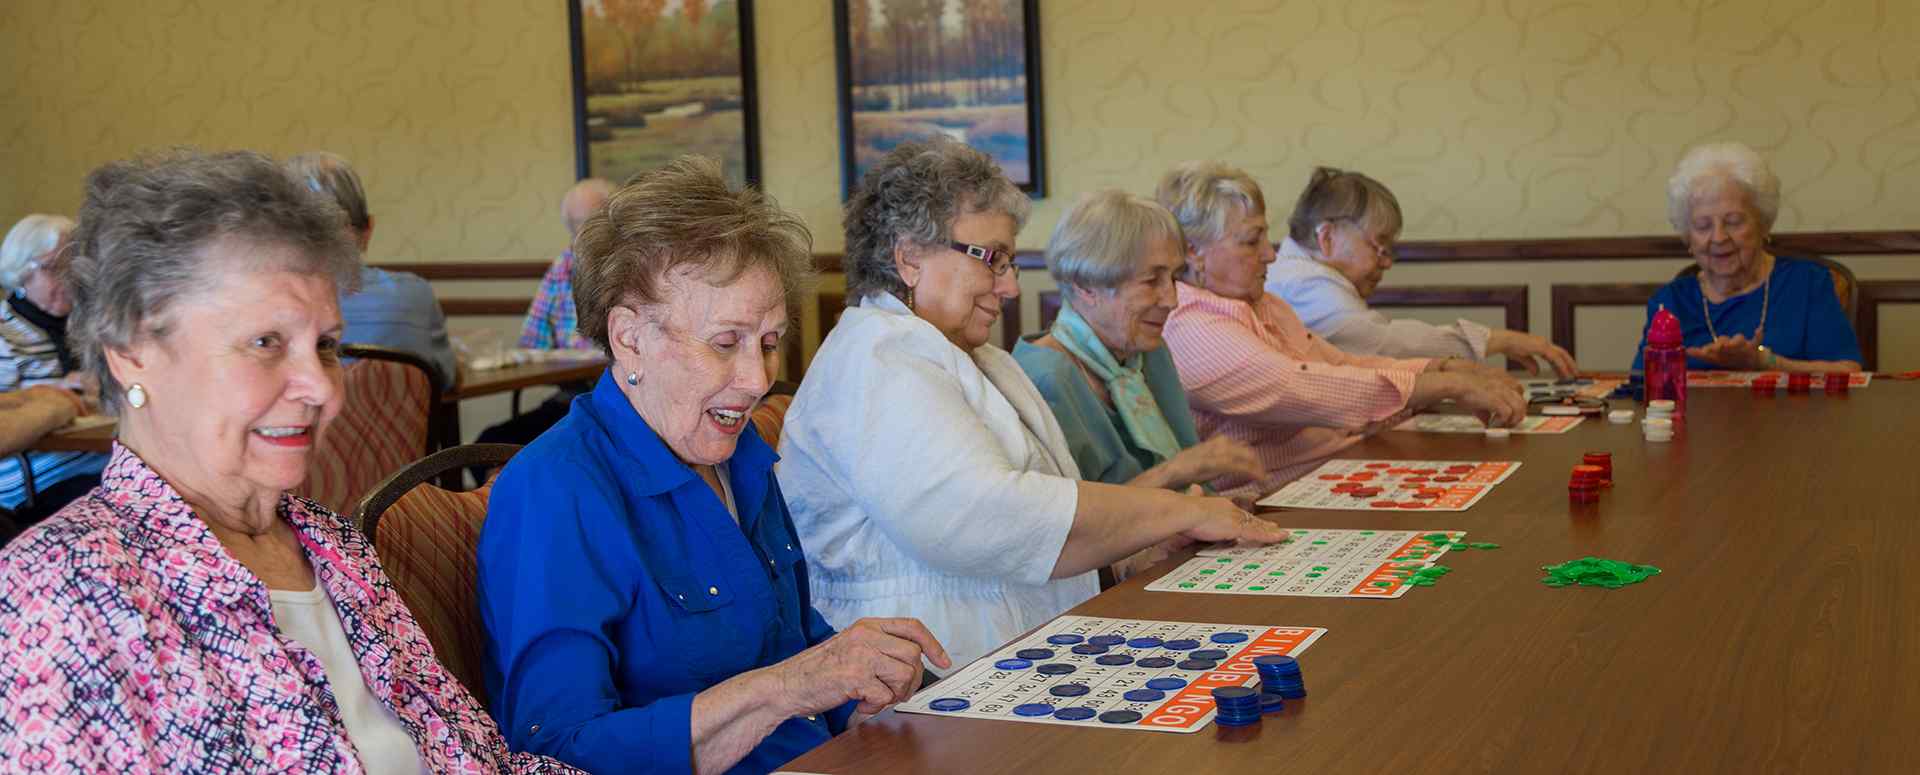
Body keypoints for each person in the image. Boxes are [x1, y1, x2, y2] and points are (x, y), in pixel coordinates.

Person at [0, 150, 578, 773]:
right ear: (132, 353)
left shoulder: (329, 544)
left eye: (326, 345)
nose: (323, 387)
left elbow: (478, 760)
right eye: (265, 342)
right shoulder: (58, 595)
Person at [479, 157, 951, 775]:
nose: (758, 379)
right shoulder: (554, 492)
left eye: (770, 343)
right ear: (629, 338)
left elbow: (797, 648)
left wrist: (863, 691)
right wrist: (789, 687)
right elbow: (556, 751)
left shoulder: (741, 457)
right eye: (726, 343)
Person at [778, 139, 1286, 671]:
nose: (1011, 287)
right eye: (992, 259)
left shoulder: (970, 355)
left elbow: (1041, 527)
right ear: (909, 258)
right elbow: (988, 518)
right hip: (920, 680)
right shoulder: (878, 358)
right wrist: (1181, 511)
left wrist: (1134, 549)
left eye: (1011, 262)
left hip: (1000, 654)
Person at [1155, 161, 1526, 497]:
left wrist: (1440, 368)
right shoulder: (1189, 322)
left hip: (1323, 475)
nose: (1271, 253)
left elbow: (1342, 364)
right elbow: (1300, 387)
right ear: (1193, 251)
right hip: (1265, 501)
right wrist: (1447, 384)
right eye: (1252, 242)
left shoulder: (1263, 303)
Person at [1013, 189, 1262, 490]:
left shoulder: (1148, 355)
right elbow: (1070, 515)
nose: (1171, 300)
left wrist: (1216, 504)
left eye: (1173, 278)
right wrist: (1176, 472)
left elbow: (1187, 485)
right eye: (1151, 281)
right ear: (1085, 285)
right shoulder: (1043, 380)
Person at [1267, 167, 1578, 377]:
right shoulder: (1304, 285)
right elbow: (1386, 346)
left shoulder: (1300, 275)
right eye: (1380, 246)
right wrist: (1495, 340)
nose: (1386, 263)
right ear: (1327, 237)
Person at [1633, 142, 1862, 373]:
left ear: (1762, 224)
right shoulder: (1670, 303)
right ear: (1688, 238)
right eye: (1703, 226)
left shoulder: (1808, 283)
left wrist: (1765, 362)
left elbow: (1848, 371)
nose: (1719, 237)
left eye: (1733, 222)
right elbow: (1642, 383)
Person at [287, 151, 458, 386]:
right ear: (368, 229)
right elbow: (446, 378)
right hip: (399, 411)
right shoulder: (416, 293)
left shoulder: (263, 303)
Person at [473, 177, 614, 451]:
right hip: (574, 399)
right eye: (577, 226)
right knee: (488, 445)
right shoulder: (564, 266)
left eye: (595, 223)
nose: (583, 236)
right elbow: (531, 343)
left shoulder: (637, 267)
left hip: (623, 406)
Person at [0, 214, 107, 523]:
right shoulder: (5, 334)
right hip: (39, 486)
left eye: (75, 268)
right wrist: (55, 397)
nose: (69, 280)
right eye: (55, 268)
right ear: (22, 271)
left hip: (100, 461)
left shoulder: (84, 327)